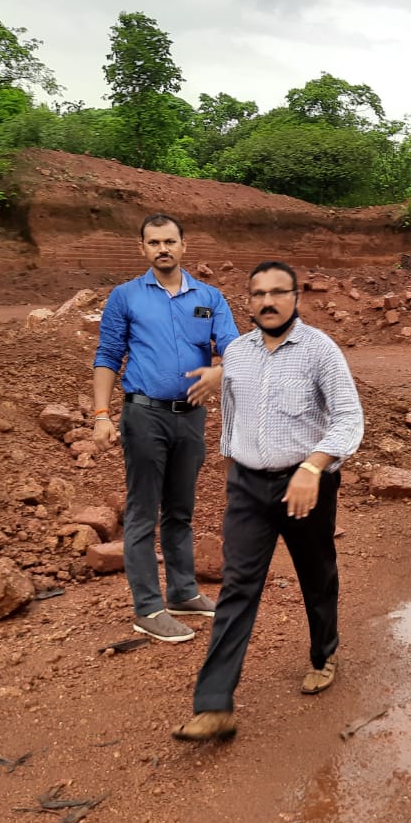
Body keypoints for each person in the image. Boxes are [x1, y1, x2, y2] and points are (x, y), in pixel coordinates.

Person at [172, 260, 364, 742]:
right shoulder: (236, 353)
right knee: (238, 587)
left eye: (278, 292)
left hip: (306, 486)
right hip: (248, 487)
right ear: (248, 301)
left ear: (296, 297)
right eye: (258, 294)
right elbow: (233, 417)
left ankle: (324, 653)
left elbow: (349, 419)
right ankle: (214, 704)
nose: (268, 302)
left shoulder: (321, 350)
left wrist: (312, 467)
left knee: (316, 576)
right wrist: (230, 463)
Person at [92, 213, 239, 643]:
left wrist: (219, 371)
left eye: (170, 241)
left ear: (184, 246)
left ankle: (182, 592)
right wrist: (101, 415)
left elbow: (237, 350)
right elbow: (107, 356)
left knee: (181, 509)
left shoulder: (209, 297)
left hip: (190, 417)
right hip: (144, 415)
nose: (163, 249)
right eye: (154, 242)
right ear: (143, 248)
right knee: (142, 512)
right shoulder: (125, 297)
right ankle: (148, 609)